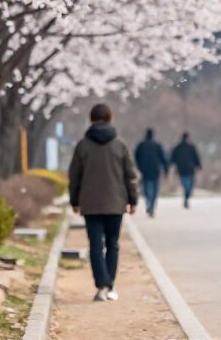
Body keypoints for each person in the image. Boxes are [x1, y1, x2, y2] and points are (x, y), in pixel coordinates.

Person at [68, 103, 138, 302]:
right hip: (116, 203)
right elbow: (130, 176)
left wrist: (75, 200)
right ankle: (111, 286)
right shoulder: (120, 145)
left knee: (95, 245)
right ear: (110, 118)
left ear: (91, 119)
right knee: (112, 244)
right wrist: (133, 200)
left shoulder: (83, 145)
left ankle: (101, 286)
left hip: (90, 204)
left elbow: (75, 175)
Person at [133, 128, 169, 217]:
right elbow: (163, 158)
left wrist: (139, 166)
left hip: (144, 170)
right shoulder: (157, 145)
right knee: (154, 190)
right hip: (155, 170)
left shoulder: (141, 145)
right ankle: (151, 206)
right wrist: (165, 169)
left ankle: (149, 204)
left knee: (146, 189)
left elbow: (136, 157)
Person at [169, 132, 202, 209]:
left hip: (181, 169)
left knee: (186, 185)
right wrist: (199, 166)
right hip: (190, 169)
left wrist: (171, 165)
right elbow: (196, 157)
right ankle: (187, 196)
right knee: (189, 185)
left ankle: (186, 196)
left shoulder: (178, 147)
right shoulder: (191, 147)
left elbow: (172, 158)